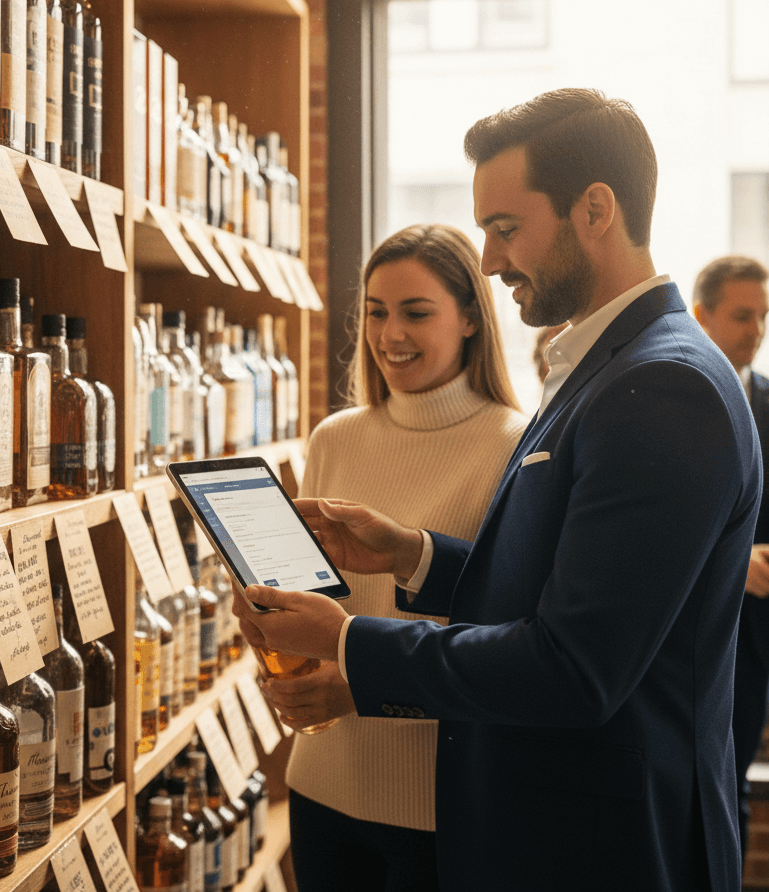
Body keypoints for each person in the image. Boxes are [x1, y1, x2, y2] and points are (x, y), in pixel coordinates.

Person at [236, 89, 762, 891]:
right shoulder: (613, 365)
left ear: (595, 209)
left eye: (506, 228)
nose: (486, 259)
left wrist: (346, 641)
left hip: (605, 847)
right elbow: (556, 583)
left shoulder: (661, 386)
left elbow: (572, 666)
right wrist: (410, 553)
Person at [271, 224, 527, 892]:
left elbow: (503, 640)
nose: (390, 336)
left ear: (471, 317)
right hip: (319, 781)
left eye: (416, 313)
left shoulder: (514, 446)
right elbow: (314, 599)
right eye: (377, 312)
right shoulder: (334, 437)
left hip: (437, 805)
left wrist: (360, 686)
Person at [694, 255, 769, 860]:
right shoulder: (674, 397)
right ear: (702, 315)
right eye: (743, 316)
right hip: (683, 632)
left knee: (732, 785)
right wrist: (730, 562)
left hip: (756, 636)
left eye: (764, 317)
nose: (758, 330)